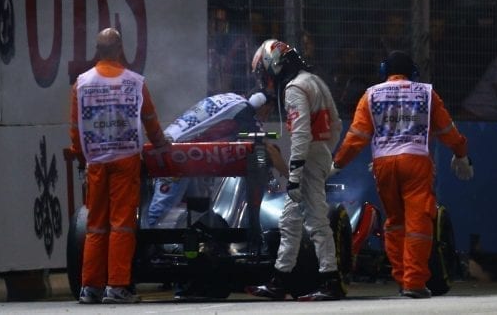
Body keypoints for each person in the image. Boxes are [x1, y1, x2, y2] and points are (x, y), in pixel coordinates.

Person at [331, 50, 473, 299]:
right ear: (413, 73)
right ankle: (414, 282)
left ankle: (401, 278)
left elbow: (357, 136)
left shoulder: (371, 94)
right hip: (416, 161)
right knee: (418, 222)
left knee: (395, 221)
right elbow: (448, 130)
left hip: (383, 165)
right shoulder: (427, 93)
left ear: (385, 71)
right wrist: (461, 154)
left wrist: (338, 163)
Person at [69, 27, 171, 304]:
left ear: (97, 51)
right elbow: (149, 119)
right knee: (122, 225)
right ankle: (117, 286)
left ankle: (89, 287)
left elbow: (76, 128)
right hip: (126, 160)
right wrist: (162, 143)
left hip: (96, 162)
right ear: (119, 50)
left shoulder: (82, 83)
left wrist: (81, 155)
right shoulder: (134, 83)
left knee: (96, 225)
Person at [245, 39, 345, 301]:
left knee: (316, 222)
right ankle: (280, 280)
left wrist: (296, 173)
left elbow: (301, 134)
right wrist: (325, 153)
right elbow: (336, 124)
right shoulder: (314, 81)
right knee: (289, 221)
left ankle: (330, 280)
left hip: (307, 159)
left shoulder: (294, 89)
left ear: (273, 65)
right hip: (318, 154)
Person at [145, 91, 286, 229]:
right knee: (161, 209)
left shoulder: (231, 100)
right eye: (267, 112)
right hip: (175, 152)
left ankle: (187, 245)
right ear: (260, 103)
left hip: (185, 153)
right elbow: (268, 149)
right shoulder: (243, 110)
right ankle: (147, 247)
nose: (266, 118)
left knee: (200, 207)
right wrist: (292, 179)